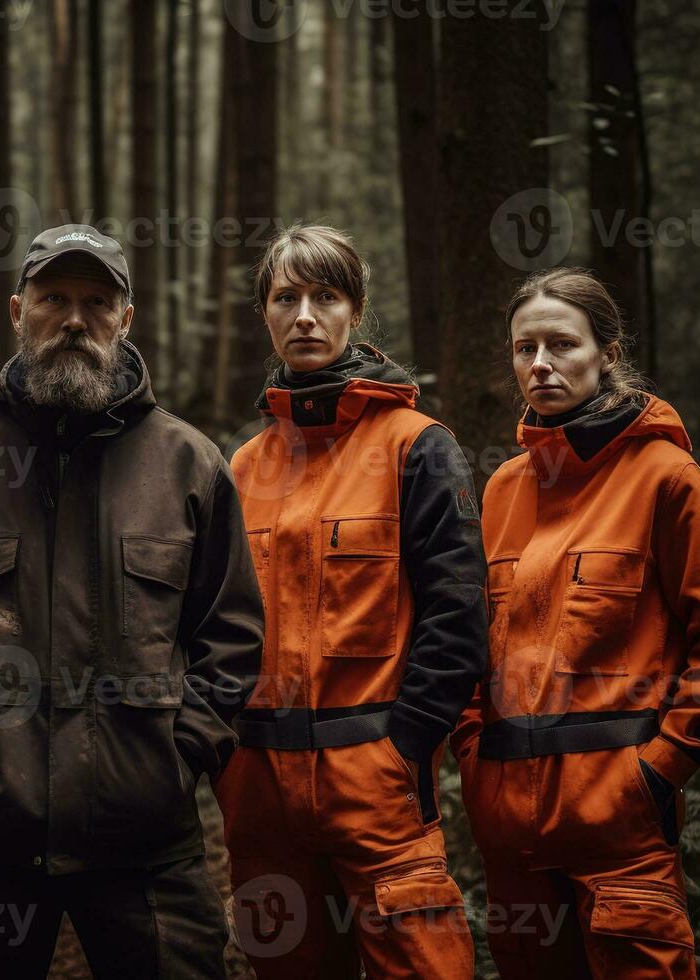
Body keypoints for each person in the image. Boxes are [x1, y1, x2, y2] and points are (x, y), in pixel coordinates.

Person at [0, 223, 265, 978]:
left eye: (95, 301)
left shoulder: (189, 466)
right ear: (18, 310)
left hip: (144, 841)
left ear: (125, 318)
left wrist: (181, 758)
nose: (74, 319)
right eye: (53, 299)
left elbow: (230, 635)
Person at [452, 268, 700, 978]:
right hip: (512, 842)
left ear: (608, 354)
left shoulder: (665, 476)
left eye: (561, 344)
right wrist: (475, 761)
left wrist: (655, 775)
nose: (540, 363)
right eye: (523, 347)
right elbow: (474, 646)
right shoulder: (504, 488)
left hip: (621, 830)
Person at [215, 224, 485, 979]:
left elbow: (458, 616)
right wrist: (227, 762)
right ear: (265, 314)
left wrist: (405, 748)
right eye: (286, 297)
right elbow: (216, 621)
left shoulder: (418, 445)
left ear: (354, 311)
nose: (305, 315)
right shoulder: (244, 464)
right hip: (260, 789)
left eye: (324, 296)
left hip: (375, 780)